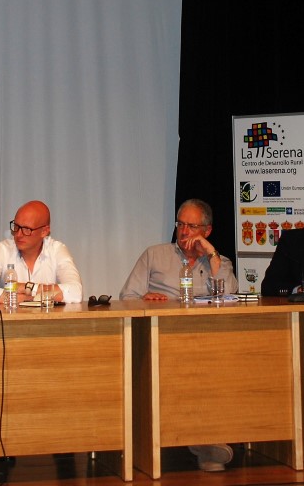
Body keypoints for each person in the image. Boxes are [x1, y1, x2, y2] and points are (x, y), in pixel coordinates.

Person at [118, 198, 238, 472]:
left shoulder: (219, 262)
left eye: (192, 226)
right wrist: (145, 299)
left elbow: (230, 294)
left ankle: (205, 439)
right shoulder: (155, 255)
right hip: (161, 339)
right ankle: (203, 442)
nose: (184, 232)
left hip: (206, 341)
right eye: (180, 224)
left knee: (214, 366)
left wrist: (211, 254)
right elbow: (126, 297)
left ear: (207, 231)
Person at [0, 200, 83, 305]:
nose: (18, 234)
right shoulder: (3, 249)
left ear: (44, 231)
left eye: (26, 229)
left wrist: (28, 289)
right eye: (16, 226)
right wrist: (34, 294)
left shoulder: (56, 250)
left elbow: (76, 292)